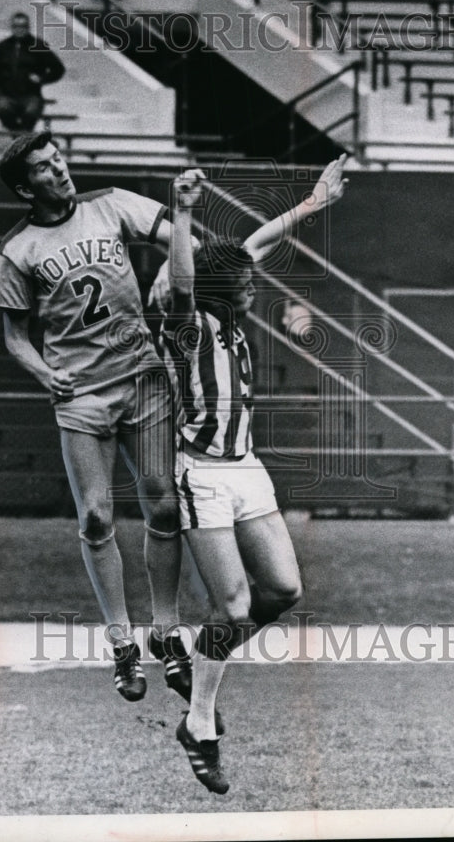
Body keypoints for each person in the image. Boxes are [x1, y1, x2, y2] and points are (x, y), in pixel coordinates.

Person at [162, 156, 349, 794]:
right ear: (216, 289)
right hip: (203, 475)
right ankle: (201, 723)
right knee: (234, 606)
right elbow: (188, 282)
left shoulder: (231, 303)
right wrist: (183, 210)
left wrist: (313, 204)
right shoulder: (188, 325)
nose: (252, 287)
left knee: (284, 592)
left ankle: (198, 669)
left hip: (248, 469)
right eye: (241, 284)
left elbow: (250, 245)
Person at [0, 131, 194, 703]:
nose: (59, 171)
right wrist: (42, 373)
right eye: (43, 168)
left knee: (164, 504)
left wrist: (166, 271)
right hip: (82, 393)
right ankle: (121, 644)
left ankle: (167, 630)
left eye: (59, 159)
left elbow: (187, 237)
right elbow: (14, 337)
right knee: (97, 517)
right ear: (23, 187)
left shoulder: (110, 201)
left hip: (145, 377)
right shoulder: (18, 248)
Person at [0, 12, 66, 131]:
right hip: (7, 94)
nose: (19, 30)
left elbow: (58, 69)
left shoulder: (38, 46)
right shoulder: (2, 47)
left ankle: (24, 138)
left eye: (23, 26)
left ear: (28, 27)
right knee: (3, 109)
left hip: (31, 95)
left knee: (31, 114)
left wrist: (42, 79)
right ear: (12, 27)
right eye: (16, 26)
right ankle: (17, 137)